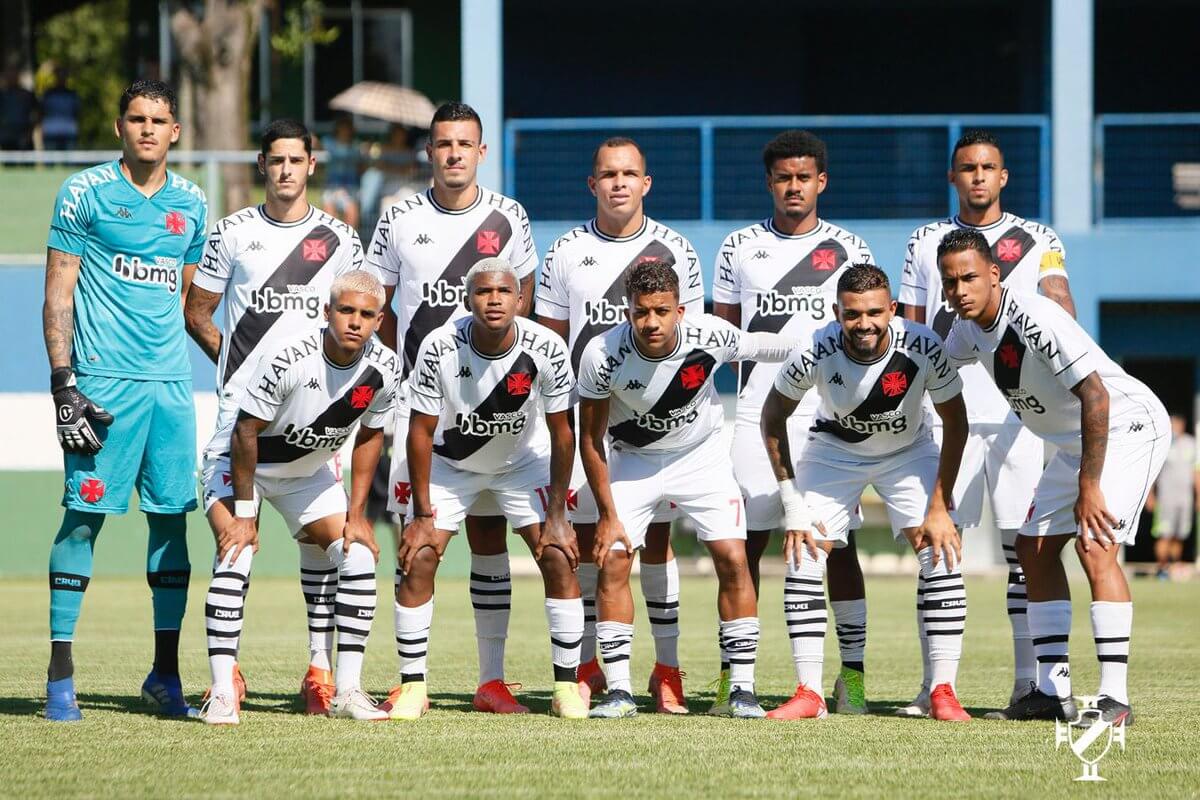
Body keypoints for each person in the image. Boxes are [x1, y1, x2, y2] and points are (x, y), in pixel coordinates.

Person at [939, 229, 1169, 724]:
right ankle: (1050, 692)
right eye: (951, 281)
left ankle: (1114, 699)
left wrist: (1089, 486)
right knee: (1033, 550)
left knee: (1093, 544)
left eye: (970, 277)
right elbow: (933, 366)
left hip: (1127, 425)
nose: (960, 289)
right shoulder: (963, 330)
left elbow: (1096, 396)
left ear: (995, 275)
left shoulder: (1035, 318)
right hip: (1075, 442)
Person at [185, 118, 365, 714]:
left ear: (312, 165)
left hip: (312, 431)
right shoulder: (231, 232)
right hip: (243, 428)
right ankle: (223, 684)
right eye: (276, 160)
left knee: (333, 550)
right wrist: (237, 372)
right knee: (236, 545)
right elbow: (199, 312)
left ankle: (321, 674)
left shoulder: (341, 240)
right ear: (262, 165)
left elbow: (356, 319)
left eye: (297, 159)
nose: (286, 170)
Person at [366, 100, 540, 714]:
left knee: (491, 535)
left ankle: (491, 680)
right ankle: (412, 680)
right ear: (430, 151)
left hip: (499, 411)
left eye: (465, 144)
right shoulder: (399, 217)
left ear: (481, 151)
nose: (454, 154)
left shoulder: (508, 216)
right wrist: (410, 377)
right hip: (424, 416)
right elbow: (377, 307)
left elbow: (530, 305)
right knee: (420, 544)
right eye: (444, 144)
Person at [41, 79, 208, 721]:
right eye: (136, 118)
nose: (147, 129)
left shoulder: (192, 203)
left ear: (176, 131)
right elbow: (58, 293)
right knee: (82, 519)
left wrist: (239, 365)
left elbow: (194, 308)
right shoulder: (83, 192)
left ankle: (165, 676)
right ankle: (60, 674)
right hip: (102, 387)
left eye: (159, 119)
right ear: (119, 127)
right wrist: (64, 384)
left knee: (171, 520)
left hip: (170, 388)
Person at [898, 129, 1077, 716]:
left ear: (1004, 176)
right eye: (967, 167)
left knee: (1024, 552)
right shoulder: (926, 241)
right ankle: (936, 688)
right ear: (953, 177)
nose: (977, 175)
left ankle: (1029, 685)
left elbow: (1060, 306)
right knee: (938, 547)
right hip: (946, 413)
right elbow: (913, 329)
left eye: (988, 167)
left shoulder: (1039, 238)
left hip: (1018, 418)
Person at [577, 260, 794, 719]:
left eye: (661, 311)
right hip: (633, 461)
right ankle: (619, 691)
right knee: (614, 560)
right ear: (627, 310)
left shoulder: (710, 334)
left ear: (680, 309)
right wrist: (608, 513)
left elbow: (764, 346)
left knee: (735, 557)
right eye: (640, 312)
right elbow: (589, 439)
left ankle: (742, 690)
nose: (651, 322)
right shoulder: (601, 354)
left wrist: (824, 341)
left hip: (701, 458)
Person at [537, 136, 704, 713]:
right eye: (608, 174)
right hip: (588, 421)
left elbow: (693, 344)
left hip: (656, 426)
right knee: (592, 544)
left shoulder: (677, 248)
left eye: (629, 173)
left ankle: (667, 671)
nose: (618, 183)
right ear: (592, 184)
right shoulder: (564, 251)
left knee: (655, 543)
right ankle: (590, 668)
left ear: (646, 183)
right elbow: (551, 342)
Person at [711, 129, 875, 715]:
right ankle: (739, 678)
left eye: (804, 177)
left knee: (838, 545)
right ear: (770, 183)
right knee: (745, 547)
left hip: (830, 412)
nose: (794, 187)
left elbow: (869, 335)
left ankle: (851, 679)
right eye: (783, 178)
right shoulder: (738, 247)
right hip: (760, 412)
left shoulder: (851, 248)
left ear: (821, 181)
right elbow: (724, 341)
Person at [762, 264, 970, 721]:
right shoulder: (816, 347)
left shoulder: (922, 346)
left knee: (941, 548)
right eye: (852, 314)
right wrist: (793, 504)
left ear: (892, 309)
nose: (864, 324)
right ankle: (810, 693)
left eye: (875, 312)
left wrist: (938, 505)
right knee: (804, 548)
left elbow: (956, 421)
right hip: (834, 451)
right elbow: (772, 416)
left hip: (908, 450)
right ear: (837, 312)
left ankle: (941, 690)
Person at [389, 258, 587, 720]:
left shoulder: (547, 346)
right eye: (482, 292)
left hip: (521, 463)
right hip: (450, 463)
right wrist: (422, 516)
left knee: (557, 556)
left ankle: (566, 687)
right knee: (419, 556)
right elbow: (420, 431)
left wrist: (557, 516)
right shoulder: (440, 345)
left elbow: (563, 434)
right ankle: (413, 688)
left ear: (521, 300)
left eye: (503, 292)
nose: (493, 299)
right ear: (466, 299)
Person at [198, 270, 398, 725]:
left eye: (366, 315)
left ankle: (347, 691)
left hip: (307, 472)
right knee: (236, 552)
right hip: (239, 464)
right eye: (345, 310)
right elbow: (245, 431)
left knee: (359, 556)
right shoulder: (289, 357)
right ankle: (224, 693)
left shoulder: (385, 367)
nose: (354, 321)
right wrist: (246, 516)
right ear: (327, 312)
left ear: (379, 320)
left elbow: (370, 435)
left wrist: (358, 514)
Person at [1147, 414, 1198, 579]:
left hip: (1185, 499)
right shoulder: (1163, 443)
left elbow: (1196, 472)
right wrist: (1150, 496)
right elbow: (1152, 473)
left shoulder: (1191, 443)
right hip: (1165, 499)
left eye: (1178, 424)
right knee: (1164, 533)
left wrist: (1198, 496)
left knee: (1180, 534)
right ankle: (1162, 568)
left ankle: (1175, 566)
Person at [320, 114, 363, 230]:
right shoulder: (327, 142)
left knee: (352, 214)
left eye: (347, 128)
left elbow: (361, 169)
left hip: (350, 189)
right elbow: (319, 149)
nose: (345, 130)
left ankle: (351, 244)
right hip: (331, 187)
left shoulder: (356, 146)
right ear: (337, 128)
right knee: (328, 218)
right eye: (343, 127)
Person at [40, 65, 81, 151]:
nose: (61, 78)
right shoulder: (48, 94)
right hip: (51, 130)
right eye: (59, 75)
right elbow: (41, 111)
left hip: (69, 130)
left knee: (70, 162)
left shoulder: (72, 94)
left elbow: (77, 112)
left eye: (63, 75)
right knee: (49, 160)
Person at [0, 64, 38, 150]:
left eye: (14, 74)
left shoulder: (27, 94)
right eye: (9, 74)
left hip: (24, 134)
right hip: (6, 136)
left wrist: (29, 132)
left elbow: (37, 113)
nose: (11, 77)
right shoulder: (1, 95)